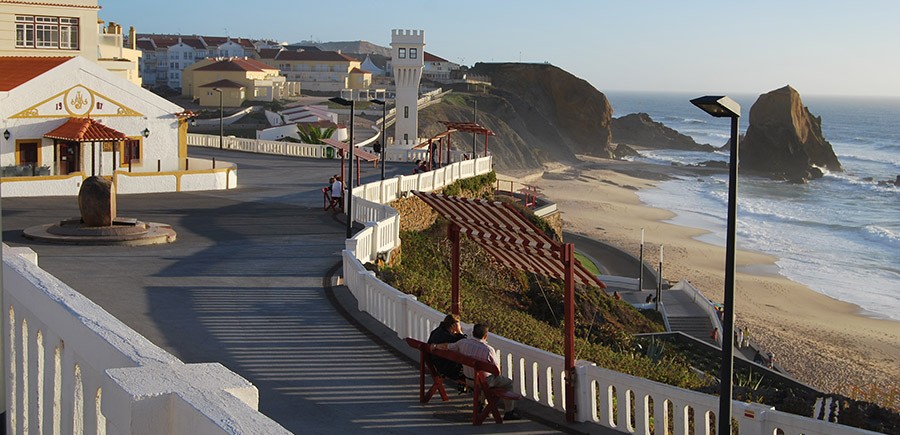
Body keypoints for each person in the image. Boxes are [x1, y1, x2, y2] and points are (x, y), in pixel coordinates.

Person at [434, 323, 520, 421]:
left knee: (485, 380)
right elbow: (496, 371)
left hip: (469, 379)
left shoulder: (463, 343)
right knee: (507, 383)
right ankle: (509, 412)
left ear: (473, 333)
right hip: (483, 382)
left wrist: (435, 346)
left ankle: (482, 404)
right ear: (485, 335)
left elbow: (447, 346)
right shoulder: (488, 350)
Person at [427, 314, 467, 388]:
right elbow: (466, 344)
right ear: (453, 326)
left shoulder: (435, 332)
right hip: (448, 370)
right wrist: (460, 333)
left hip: (436, 364)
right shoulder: (451, 338)